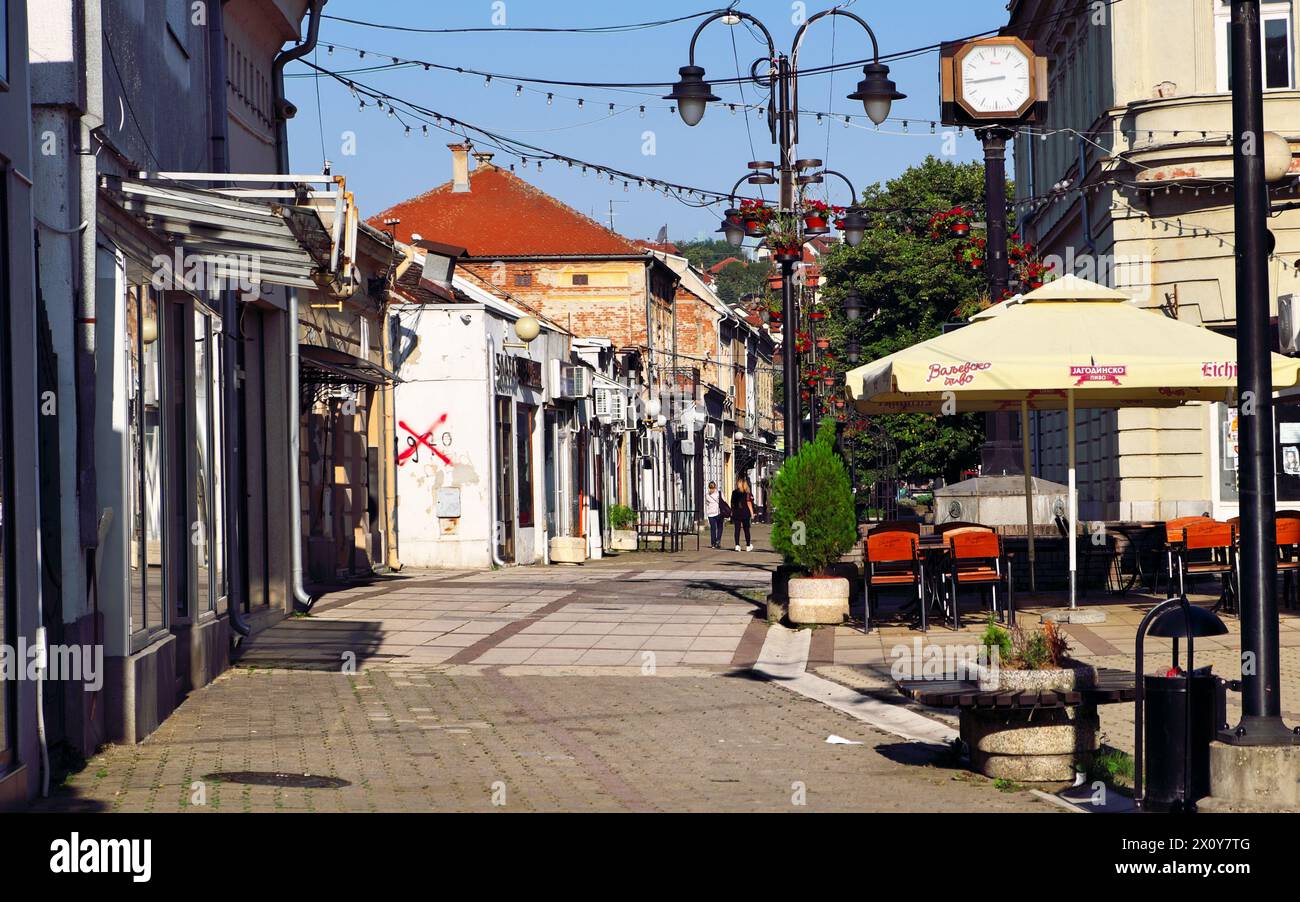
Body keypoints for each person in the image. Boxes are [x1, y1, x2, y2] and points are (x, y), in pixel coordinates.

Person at [730, 476, 754, 552]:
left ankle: (737, 545)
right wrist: (752, 513)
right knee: (746, 529)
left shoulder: (734, 492)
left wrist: (733, 511)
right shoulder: (746, 493)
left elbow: (732, 503)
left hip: (736, 513)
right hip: (745, 513)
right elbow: (749, 503)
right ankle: (748, 545)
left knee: (737, 530)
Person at [704, 481, 726, 549]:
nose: (711, 489)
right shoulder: (710, 495)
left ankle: (716, 542)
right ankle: (715, 542)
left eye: (712, 488)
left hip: (717, 513)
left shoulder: (716, 494)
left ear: (715, 487)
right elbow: (724, 501)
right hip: (713, 514)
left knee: (718, 528)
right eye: (711, 488)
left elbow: (724, 501)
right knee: (715, 528)